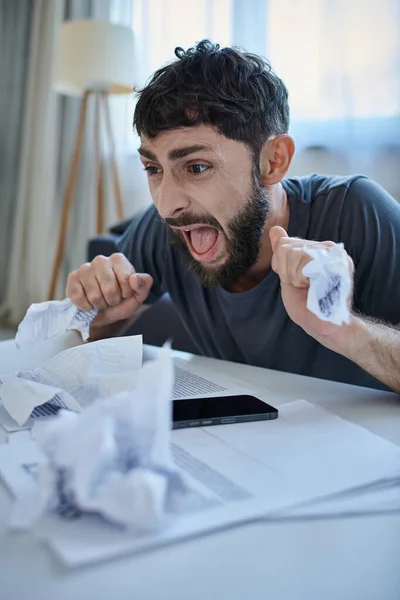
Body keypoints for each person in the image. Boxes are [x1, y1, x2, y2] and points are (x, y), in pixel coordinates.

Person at [67, 40, 400, 394]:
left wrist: (345, 328)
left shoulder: (357, 211)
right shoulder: (167, 228)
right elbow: (81, 342)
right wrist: (99, 318)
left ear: (273, 161)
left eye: (196, 167)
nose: (166, 206)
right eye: (153, 168)